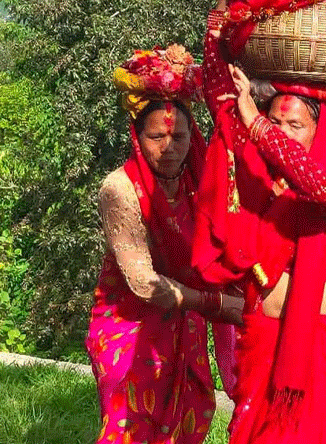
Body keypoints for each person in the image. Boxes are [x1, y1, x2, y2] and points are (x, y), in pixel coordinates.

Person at [194, 0, 326, 444]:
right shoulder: (258, 175)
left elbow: (317, 185)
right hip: (265, 336)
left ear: (320, 129)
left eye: (296, 126)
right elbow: (220, 99)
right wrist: (218, 26)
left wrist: (257, 125)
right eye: (276, 122)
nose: (283, 133)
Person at [86, 45, 241, 444]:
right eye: (157, 136)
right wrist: (220, 306)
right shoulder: (119, 189)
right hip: (130, 323)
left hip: (186, 322)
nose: (169, 148)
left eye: (180, 136)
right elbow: (143, 283)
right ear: (137, 137)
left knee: (187, 424)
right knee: (129, 428)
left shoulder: (200, 185)